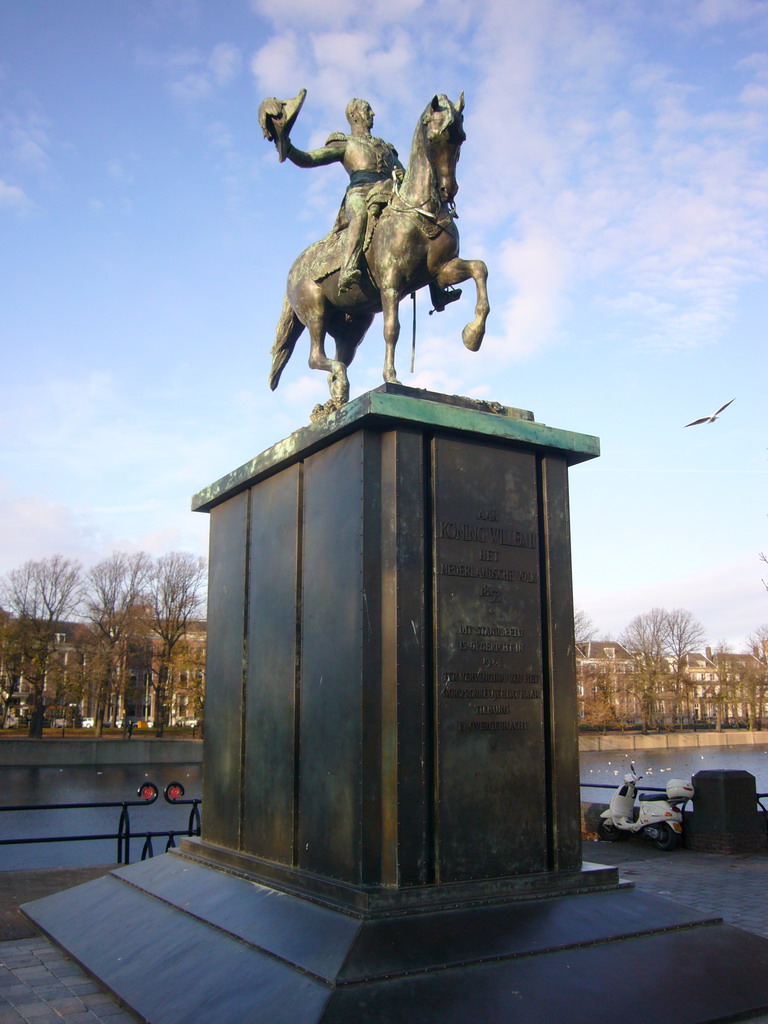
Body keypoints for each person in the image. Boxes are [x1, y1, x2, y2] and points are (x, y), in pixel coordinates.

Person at [281, 98, 405, 292]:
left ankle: (437, 288)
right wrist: (287, 147)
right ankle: (348, 268)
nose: (372, 114)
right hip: (360, 193)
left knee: (415, 219)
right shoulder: (345, 142)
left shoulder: (386, 148)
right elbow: (309, 159)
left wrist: (401, 175)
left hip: (388, 193)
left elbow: (405, 174)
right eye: (367, 110)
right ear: (354, 115)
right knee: (360, 216)